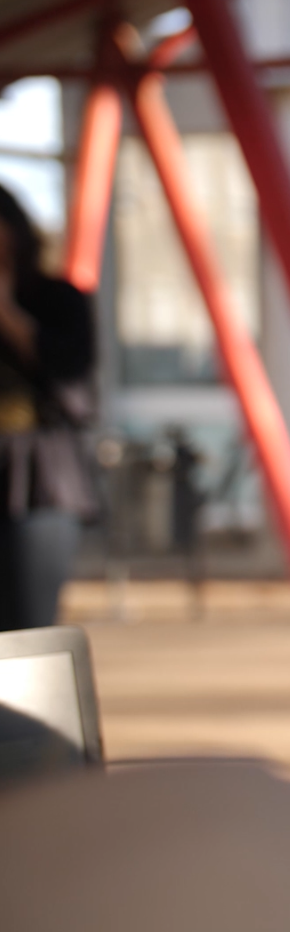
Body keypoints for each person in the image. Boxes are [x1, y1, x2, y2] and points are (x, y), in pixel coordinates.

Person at [0, 184, 96, 631]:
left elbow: (72, 385)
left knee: (28, 630)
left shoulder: (59, 300)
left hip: (39, 474)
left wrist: (8, 316)